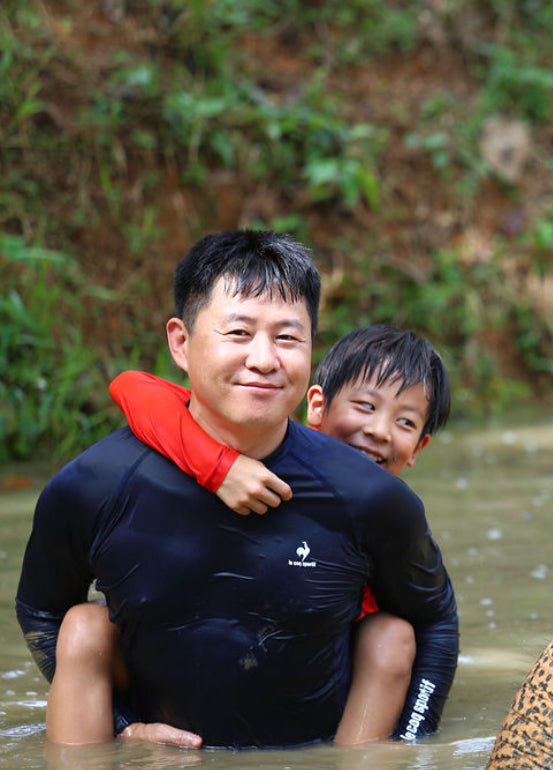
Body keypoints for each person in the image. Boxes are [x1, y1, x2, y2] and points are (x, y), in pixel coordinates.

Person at [15, 231, 459, 749]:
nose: (264, 359)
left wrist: (409, 745)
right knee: (83, 626)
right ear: (181, 343)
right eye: (239, 333)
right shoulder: (95, 485)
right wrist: (122, 728)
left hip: (320, 745)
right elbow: (42, 612)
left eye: (287, 338)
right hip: (161, 755)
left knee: (390, 633)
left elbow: (433, 623)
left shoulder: (369, 495)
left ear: (311, 348)